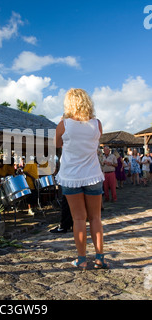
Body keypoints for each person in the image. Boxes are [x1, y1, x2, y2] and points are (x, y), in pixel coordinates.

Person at [55, 88, 108, 270]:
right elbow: (96, 142)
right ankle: (100, 257)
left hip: (71, 176)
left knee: (78, 219)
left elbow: (57, 144)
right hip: (93, 174)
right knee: (95, 218)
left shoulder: (64, 124)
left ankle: (82, 259)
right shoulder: (97, 123)